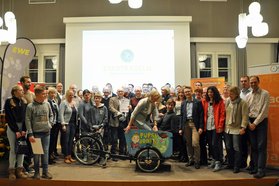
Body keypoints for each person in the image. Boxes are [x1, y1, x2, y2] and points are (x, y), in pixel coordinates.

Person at [25, 85, 53, 179]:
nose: (45, 95)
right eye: (43, 93)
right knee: (36, 154)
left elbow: (52, 115)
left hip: (46, 133)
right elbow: (27, 120)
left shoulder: (47, 104)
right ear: (37, 94)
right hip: (36, 134)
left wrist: (50, 124)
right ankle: (36, 173)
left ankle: (45, 172)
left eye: (45, 93)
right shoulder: (30, 106)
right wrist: (30, 134)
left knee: (46, 153)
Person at [246, 76, 270, 179]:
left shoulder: (265, 94)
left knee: (261, 147)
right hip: (250, 122)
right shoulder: (247, 95)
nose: (253, 84)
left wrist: (255, 123)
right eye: (251, 83)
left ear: (258, 82)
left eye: (255, 82)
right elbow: (245, 111)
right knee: (253, 146)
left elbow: (264, 111)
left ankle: (261, 170)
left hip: (261, 122)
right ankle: (255, 167)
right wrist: (248, 123)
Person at [4, 85, 28, 180]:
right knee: (13, 150)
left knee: (21, 149)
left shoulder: (24, 101)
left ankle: (19, 170)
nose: (22, 92)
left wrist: (24, 130)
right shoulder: (9, 102)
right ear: (15, 92)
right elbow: (9, 118)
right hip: (12, 127)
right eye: (20, 90)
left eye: (22, 90)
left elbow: (26, 117)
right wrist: (16, 130)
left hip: (22, 127)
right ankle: (11, 171)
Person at [224, 86, 248, 173]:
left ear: (237, 94)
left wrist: (243, 127)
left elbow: (245, 116)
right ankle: (230, 163)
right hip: (227, 128)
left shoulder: (243, 102)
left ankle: (236, 166)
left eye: (232, 93)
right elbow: (225, 113)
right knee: (228, 147)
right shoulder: (227, 101)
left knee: (236, 147)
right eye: (229, 93)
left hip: (237, 129)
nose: (230, 95)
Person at [179, 86, 204, 169]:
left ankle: (197, 161)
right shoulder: (183, 103)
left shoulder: (198, 102)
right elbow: (181, 116)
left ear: (191, 91)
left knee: (195, 143)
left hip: (194, 124)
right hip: (186, 124)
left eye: (188, 91)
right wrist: (180, 128)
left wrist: (201, 127)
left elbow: (201, 115)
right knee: (188, 143)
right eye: (185, 92)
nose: (187, 93)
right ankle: (191, 160)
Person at [202, 86, 225, 172]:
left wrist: (220, 126)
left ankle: (219, 161)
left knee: (215, 144)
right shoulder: (205, 102)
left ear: (215, 92)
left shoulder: (220, 102)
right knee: (211, 145)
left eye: (211, 92)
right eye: (208, 92)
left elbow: (223, 115)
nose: (210, 94)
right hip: (208, 126)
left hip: (216, 126)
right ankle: (214, 160)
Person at [109, 87, 130, 156]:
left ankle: (121, 153)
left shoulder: (127, 100)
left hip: (123, 122)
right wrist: (118, 113)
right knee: (114, 139)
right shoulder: (112, 99)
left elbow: (127, 110)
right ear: (117, 92)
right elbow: (110, 107)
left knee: (122, 138)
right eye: (119, 91)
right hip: (114, 121)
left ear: (124, 93)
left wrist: (127, 113)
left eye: (122, 91)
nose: (120, 92)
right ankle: (113, 154)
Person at [59, 89, 78, 164]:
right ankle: (66, 156)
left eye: (72, 95)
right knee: (66, 141)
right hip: (66, 124)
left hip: (73, 124)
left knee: (71, 141)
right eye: (70, 95)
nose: (71, 96)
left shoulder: (74, 103)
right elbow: (61, 114)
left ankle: (70, 156)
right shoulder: (63, 103)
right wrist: (63, 124)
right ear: (67, 95)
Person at [239, 75, 252, 169]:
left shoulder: (253, 92)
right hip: (242, 122)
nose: (243, 83)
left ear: (249, 82)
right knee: (243, 144)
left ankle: (252, 164)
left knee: (252, 144)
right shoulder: (239, 94)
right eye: (242, 81)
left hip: (251, 122)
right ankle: (243, 163)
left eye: (245, 81)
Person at [47, 87, 60, 165]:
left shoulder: (55, 101)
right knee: (50, 141)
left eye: (54, 93)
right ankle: (48, 158)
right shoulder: (48, 101)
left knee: (54, 141)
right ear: (48, 94)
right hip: (51, 124)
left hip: (56, 124)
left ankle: (51, 155)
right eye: (51, 93)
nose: (53, 94)